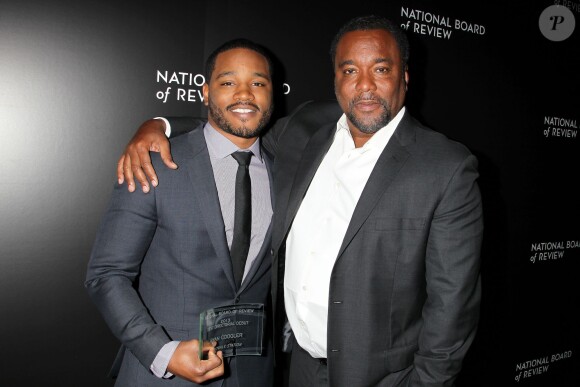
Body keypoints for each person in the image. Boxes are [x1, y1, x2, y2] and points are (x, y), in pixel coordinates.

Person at [118, 15, 484, 387]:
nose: (365, 85)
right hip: (298, 369)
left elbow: (452, 306)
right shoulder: (306, 129)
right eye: (350, 70)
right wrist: (159, 125)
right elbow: (238, 124)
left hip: (384, 378)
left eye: (381, 69)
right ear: (336, 79)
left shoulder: (445, 167)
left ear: (404, 76)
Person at [85, 38, 277, 386]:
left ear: (272, 93)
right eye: (228, 82)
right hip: (164, 376)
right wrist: (163, 352)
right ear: (204, 92)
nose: (245, 94)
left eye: (258, 83)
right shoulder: (153, 163)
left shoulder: (287, 172)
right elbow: (107, 274)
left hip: (253, 375)